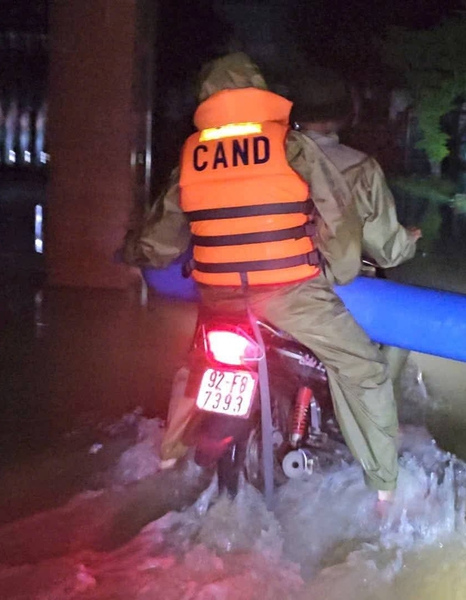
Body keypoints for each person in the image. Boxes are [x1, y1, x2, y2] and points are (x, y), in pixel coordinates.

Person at [122, 52, 399, 504]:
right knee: (362, 368)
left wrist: (133, 253)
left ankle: (169, 457)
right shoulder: (289, 145)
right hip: (289, 292)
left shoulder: (193, 154)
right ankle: (385, 488)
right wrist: (342, 270)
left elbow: (163, 233)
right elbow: (337, 216)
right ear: (259, 92)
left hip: (218, 297)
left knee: (196, 367)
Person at [289, 69, 422, 389]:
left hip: (260, 278)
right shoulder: (360, 167)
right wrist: (408, 241)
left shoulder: (267, 156)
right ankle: (376, 414)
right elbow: (387, 250)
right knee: (401, 332)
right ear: (342, 116)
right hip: (332, 288)